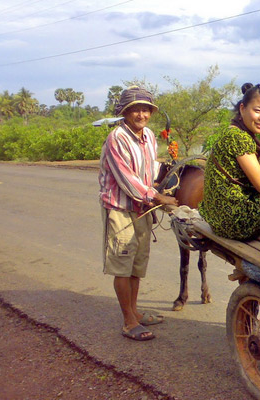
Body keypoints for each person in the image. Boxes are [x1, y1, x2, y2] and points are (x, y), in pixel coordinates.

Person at [99, 86, 178, 341]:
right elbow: (127, 179)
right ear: (125, 112)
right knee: (122, 266)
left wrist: (162, 180)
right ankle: (128, 321)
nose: (142, 114)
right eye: (136, 109)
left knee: (136, 264)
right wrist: (158, 196)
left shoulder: (149, 136)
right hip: (121, 209)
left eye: (146, 109)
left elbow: (147, 171)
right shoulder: (117, 138)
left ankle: (134, 311)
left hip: (142, 209)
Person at [200, 83, 260, 240]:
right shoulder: (239, 137)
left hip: (218, 217)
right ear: (242, 109)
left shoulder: (233, 131)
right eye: (258, 111)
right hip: (236, 221)